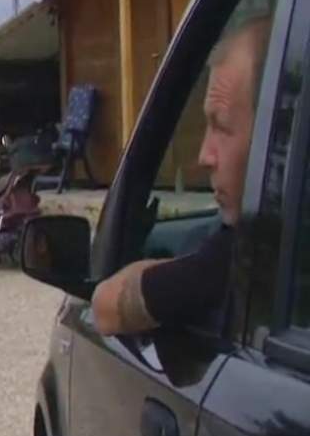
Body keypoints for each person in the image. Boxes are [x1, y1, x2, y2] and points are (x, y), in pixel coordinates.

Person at [92, 16, 272, 335]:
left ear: (275, 135)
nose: (204, 156)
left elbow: (105, 307)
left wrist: (190, 271)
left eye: (221, 126)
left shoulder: (245, 256)